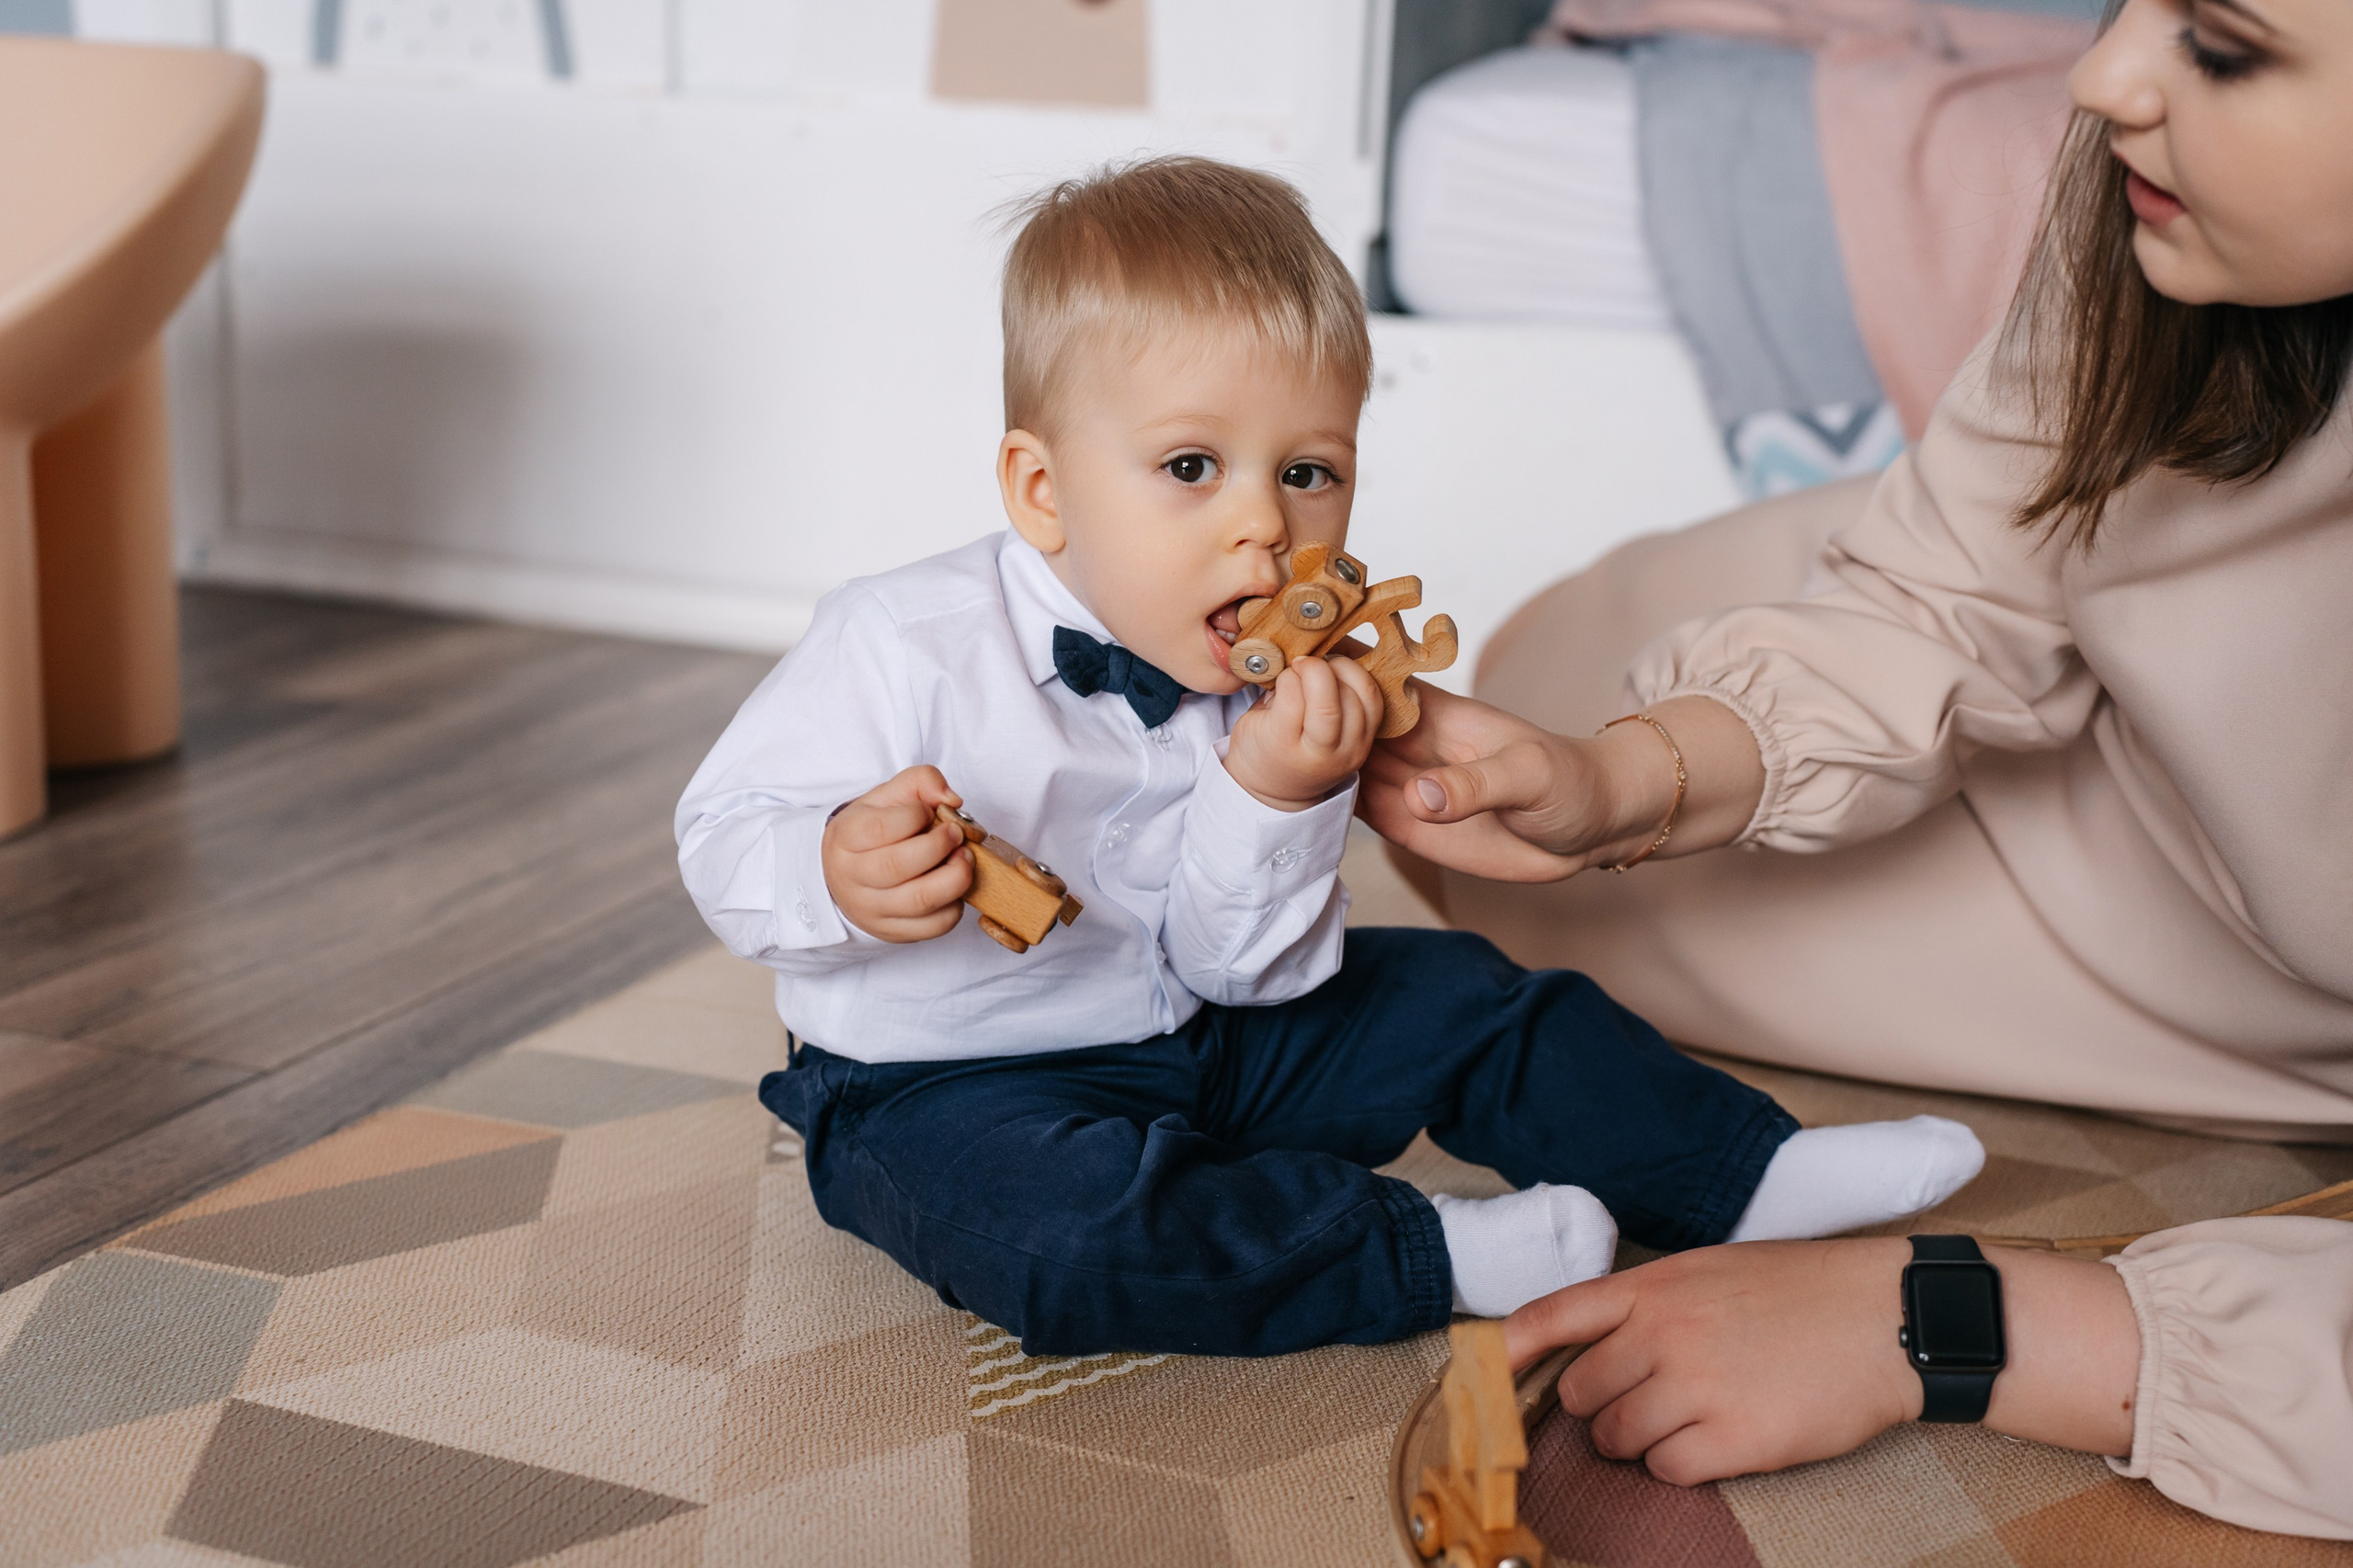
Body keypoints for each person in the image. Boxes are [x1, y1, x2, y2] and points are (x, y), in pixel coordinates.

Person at [673, 157, 1984, 1359]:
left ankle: (1737, 1174)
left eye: (1308, 470)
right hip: (937, 1085)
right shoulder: (898, 640)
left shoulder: (1280, 683)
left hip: (1205, 1027)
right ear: (1042, 490)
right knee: (1060, 1240)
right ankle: (1418, 1250)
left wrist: (1274, 794)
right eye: (1192, 465)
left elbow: (1247, 966)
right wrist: (834, 872)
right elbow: (723, 827)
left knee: (1472, 997)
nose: (1262, 524)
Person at [1360, 0, 2353, 1537]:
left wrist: (1954, 1326)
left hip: (2276, 968)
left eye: (2223, 46)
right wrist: (1636, 778)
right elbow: (1948, 580)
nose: (2098, 77)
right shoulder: (2158, 207)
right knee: (1532, 697)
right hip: (2112, 733)